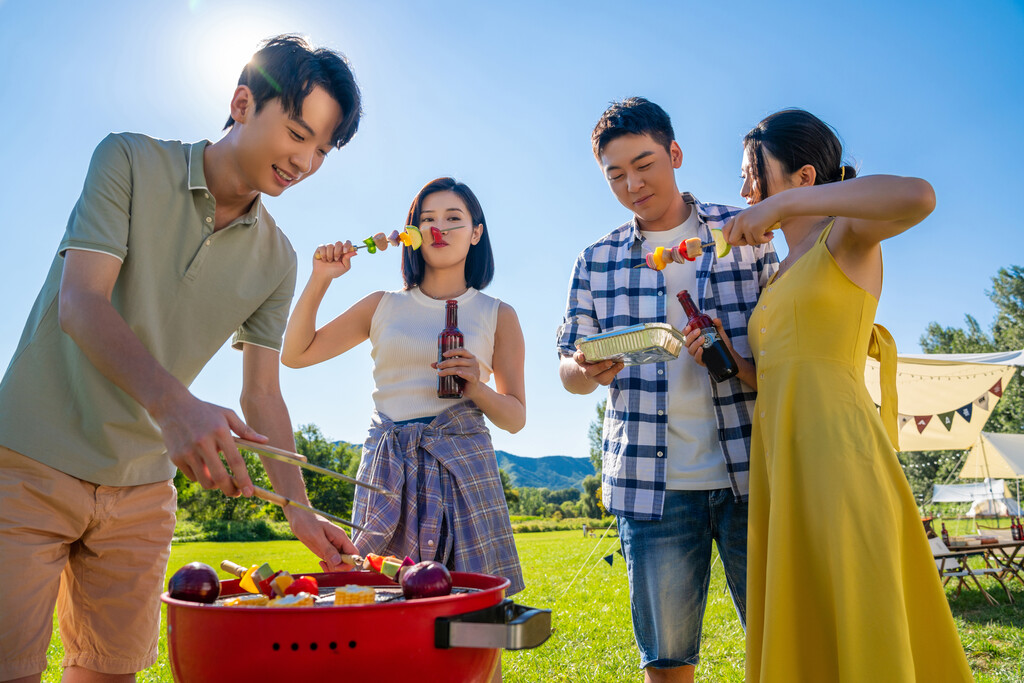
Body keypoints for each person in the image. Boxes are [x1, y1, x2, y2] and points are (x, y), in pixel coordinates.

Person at [0, 35, 362, 683]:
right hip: (28, 461)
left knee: (108, 673)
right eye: (298, 133)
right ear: (243, 101)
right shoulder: (128, 160)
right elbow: (80, 303)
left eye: (322, 150)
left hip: (141, 490)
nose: (305, 161)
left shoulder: (277, 259)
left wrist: (300, 510)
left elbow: (263, 395)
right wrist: (175, 406)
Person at [712, 108, 973, 681]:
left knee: (856, 601)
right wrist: (731, 361)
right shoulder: (779, 271)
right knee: (808, 609)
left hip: (839, 452)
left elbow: (920, 196)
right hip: (783, 461)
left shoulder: (847, 235)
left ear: (804, 178)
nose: (745, 191)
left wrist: (782, 206)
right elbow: (784, 370)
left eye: (754, 174)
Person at [556, 97, 778, 683]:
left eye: (645, 163)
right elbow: (569, 369)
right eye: (615, 174)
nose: (633, 183)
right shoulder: (595, 259)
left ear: (675, 153)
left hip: (754, 470)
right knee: (668, 661)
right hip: (651, 486)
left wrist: (732, 354)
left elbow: (787, 349)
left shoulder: (745, 233)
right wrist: (588, 370)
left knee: (781, 644)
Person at [281, 177, 525, 596]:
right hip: (389, 468)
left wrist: (477, 388)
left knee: (476, 612)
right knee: (378, 600)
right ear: (412, 234)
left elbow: (516, 418)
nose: (439, 229)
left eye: (453, 218)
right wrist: (321, 277)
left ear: (476, 232)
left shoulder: (497, 314)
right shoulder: (383, 305)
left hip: (463, 466)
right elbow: (296, 353)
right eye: (427, 219)